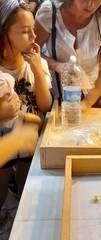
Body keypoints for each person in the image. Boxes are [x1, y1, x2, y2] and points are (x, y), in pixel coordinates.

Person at [0, 0, 52, 212]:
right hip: (4, 143)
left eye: (33, 30)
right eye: (25, 31)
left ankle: (21, 209)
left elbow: (45, 105)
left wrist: (38, 70)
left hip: (31, 140)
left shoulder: (36, 63)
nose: (33, 37)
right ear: (4, 34)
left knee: (27, 187)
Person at [34, 0, 101, 112]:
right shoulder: (51, 12)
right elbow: (30, 52)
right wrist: (56, 65)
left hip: (89, 96)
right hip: (53, 95)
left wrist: (86, 104)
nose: (90, 4)